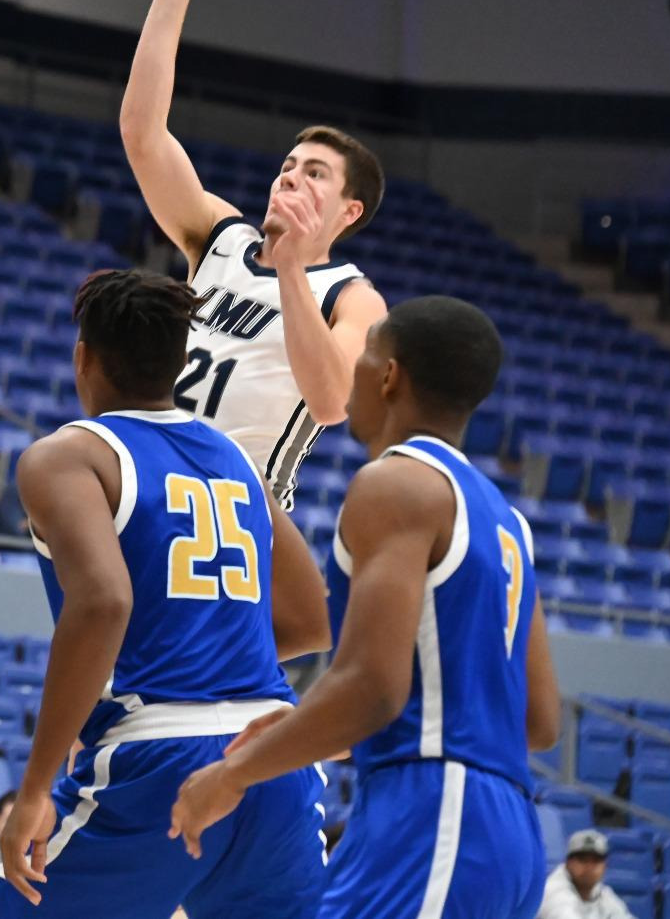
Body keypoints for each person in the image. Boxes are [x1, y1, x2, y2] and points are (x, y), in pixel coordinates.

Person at [170, 296, 561, 919]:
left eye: (364, 354)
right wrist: (317, 730)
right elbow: (539, 722)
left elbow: (371, 687)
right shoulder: (507, 520)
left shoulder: (395, 484)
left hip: (432, 816)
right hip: (511, 832)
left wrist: (233, 772)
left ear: (389, 375)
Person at [0, 269, 332, 918]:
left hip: (160, 755)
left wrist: (33, 789)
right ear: (181, 362)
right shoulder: (237, 459)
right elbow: (314, 620)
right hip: (274, 755)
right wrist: (204, 645)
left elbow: (103, 603)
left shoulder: (68, 455)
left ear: (83, 357)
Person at [117, 0, 387, 510]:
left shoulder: (352, 297)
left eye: (315, 174)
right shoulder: (221, 236)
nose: (290, 177)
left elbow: (332, 402)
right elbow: (143, 136)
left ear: (349, 212)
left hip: (238, 510)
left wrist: (290, 268)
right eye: (288, 166)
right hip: (152, 483)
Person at [537, 829, 634, 919]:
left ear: (605, 865)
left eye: (596, 861)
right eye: (582, 860)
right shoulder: (553, 890)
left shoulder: (602, 893)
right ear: (568, 863)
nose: (589, 867)